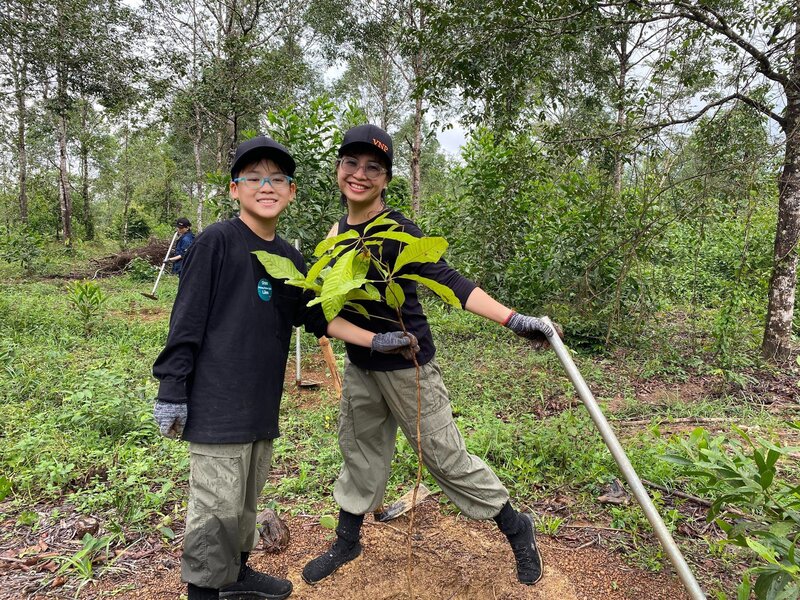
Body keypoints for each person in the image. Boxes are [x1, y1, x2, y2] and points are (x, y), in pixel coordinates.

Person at [151, 135, 418, 600]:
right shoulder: (217, 241)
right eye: (253, 178)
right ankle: (203, 591)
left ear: (292, 191)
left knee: (245, 500)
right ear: (235, 189)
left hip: (259, 407)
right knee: (214, 509)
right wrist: (171, 389)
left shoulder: (289, 260)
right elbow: (186, 320)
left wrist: (378, 338)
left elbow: (318, 317)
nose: (266, 185)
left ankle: (237, 574)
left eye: (277, 178)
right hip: (216, 406)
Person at [301, 124, 559, 588]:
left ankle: (516, 525)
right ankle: (347, 538)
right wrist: (369, 341)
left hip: (409, 368)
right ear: (338, 169)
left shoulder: (396, 230)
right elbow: (326, 305)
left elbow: (451, 281)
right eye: (351, 163)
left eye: (373, 168)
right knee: (359, 452)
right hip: (364, 367)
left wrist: (514, 319)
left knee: (444, 458)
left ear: (386, 179)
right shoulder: (337, 232)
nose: (360, 174)